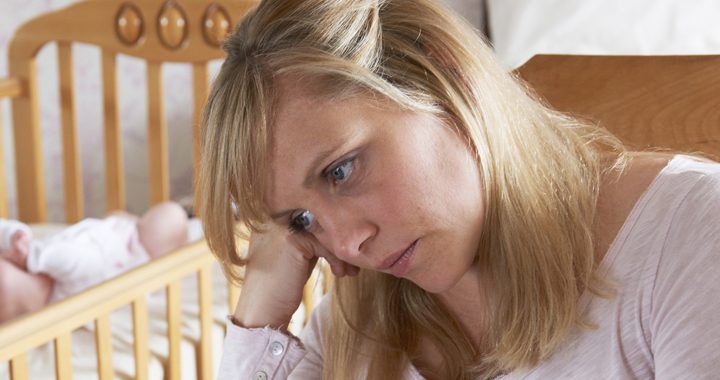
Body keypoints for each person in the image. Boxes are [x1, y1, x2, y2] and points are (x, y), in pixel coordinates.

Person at [199, 0, 720, 379]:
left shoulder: (687, 234)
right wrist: (259, 317)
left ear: (441, 71)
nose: (346, 246)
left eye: (340, 171)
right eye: (300, 220)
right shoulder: (354, 326)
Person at [0, 201, 189, 323]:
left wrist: (32, 254)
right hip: (43, 271)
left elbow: (77, 259)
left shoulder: (132, 266)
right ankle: (27, 250)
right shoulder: (119, 232)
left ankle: (30, 254)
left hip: (55, 281)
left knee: (79, 259)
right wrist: (17, 235)